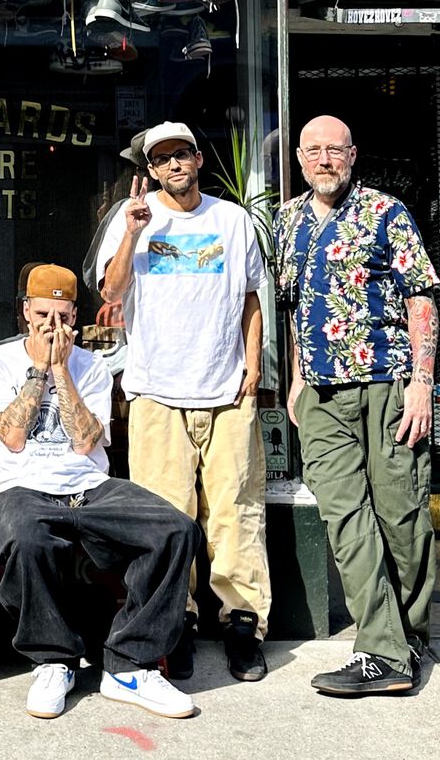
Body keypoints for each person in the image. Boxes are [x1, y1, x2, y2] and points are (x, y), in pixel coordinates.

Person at [0, 263, 200, 720]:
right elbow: (13, 437)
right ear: (25, 312)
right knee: (24, 537)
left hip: (88, 486)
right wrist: (38, 369)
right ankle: (53, 660)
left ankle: (130, 664)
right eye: (42, 314)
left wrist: (62, 371)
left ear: (75, 315)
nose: (52, 326)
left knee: (176, 529)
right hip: (23, 487)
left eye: (62, 315)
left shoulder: (92, 366)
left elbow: (84, 442)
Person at [98, 120, 271, 682]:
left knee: (235, 514)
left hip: (226, 390)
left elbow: (250, 297)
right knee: (165, 520)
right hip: (156, 394)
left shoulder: (233, 219)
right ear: (149, 170)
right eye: (162, 159)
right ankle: (176, 624)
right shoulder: (131, 219)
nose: (175, 166)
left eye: (183, 155)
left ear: (199, 158)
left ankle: (243, 625)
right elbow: (111, 291)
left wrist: (253, 365)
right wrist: (132, 232)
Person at [273, 115, 439, 695]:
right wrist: (296, 377)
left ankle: (407, 633)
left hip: (387, 384)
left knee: (401, 515)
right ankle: (384, 653)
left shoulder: (386, 213)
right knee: (345, 518)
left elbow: (421, 297)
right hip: (319, 394)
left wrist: (423, 382)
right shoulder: (287, 220)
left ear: (352, 154)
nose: (324, 160)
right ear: (299, 157)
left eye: (334, 150)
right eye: (313, 150)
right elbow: (294, 306)